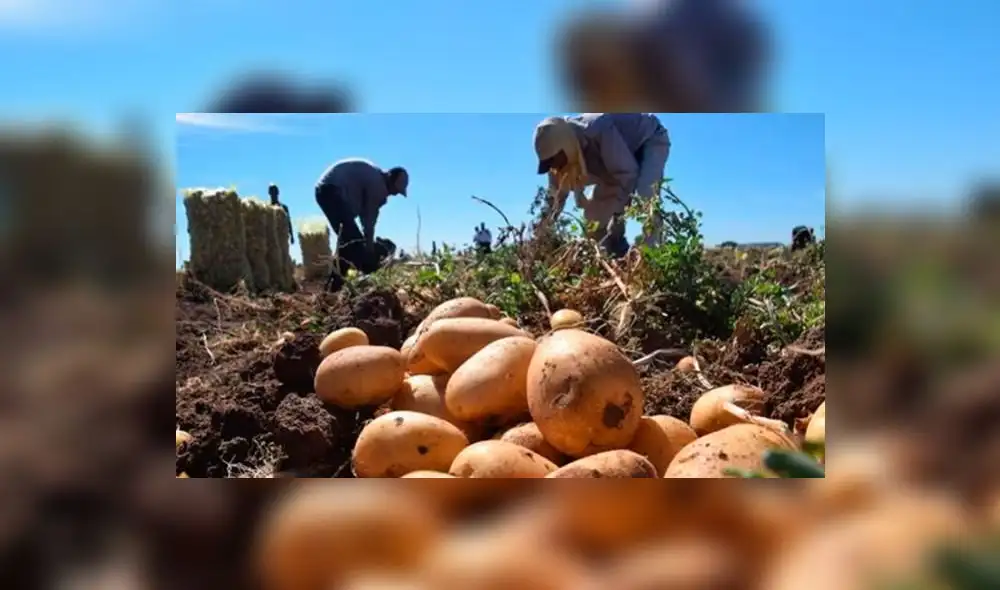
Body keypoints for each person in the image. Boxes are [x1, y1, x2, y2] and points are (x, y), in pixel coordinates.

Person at [533, 112, 670, 257]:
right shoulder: (556, 160)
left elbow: (627, 174)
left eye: (556, 160)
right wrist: (542, 234)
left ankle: (652, 258)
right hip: (613, 164)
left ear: (565, 145)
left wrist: (616, 220)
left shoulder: (596, 127)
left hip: (647, 140)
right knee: (593, 217)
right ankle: (614, 256)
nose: (556, 167)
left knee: (646, 196)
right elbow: (555, 199)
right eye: (551, 164)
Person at [314, 158, 408, 291]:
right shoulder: (378, 185)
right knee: (355, 244)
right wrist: (369, 255)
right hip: (331, 191)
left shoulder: (375, 176)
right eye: (395, 191)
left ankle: (331, 290)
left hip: (327, 189)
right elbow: (368, 222)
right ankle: (370, 287)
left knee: (347, 245)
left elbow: (366, 218)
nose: (393, 194)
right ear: (389, 178)